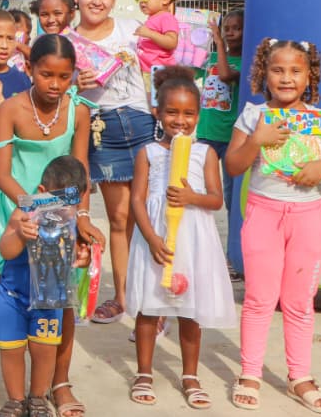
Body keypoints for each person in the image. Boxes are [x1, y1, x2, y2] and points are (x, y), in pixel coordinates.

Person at [0, 34, 99, 417]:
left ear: (73, 75)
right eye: (46, 75)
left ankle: (59, 383)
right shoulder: (10, 108)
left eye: (64, 76)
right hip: (13, 207)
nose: (55, 84)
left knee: (60, 297)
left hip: (61, 216)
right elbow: (2, 172)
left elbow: (80, 171)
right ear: (29, 69)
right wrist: (31, 210)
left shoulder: (79, 111)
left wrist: (81, 216)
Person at [224, 39, 321, 412]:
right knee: (259, 299)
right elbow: (232, 166)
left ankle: (299, 376)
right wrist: (257, 140)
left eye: (296, 70)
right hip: (263, 216)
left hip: (308, 218)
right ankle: (250, 373)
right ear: (263, 74)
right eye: (277, 70)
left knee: (299, 302)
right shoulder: (253, 116)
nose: (286, 78)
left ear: (309, 76)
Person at [124, 67, 236, 408]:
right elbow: (137, 199)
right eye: (172, 112)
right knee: (149, 307)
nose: (180, 120)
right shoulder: (148, 152)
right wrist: (150, 237)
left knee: (190, 311)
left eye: (188, 114)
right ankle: (144, 372)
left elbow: (216, 200)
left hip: (193, 241)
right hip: (157, 240)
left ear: (198, 116)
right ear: (158, 112)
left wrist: (192, 197)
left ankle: (190, 375)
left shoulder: (206, 154)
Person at [71, 0, 153, 326]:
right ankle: (122, 298)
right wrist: (76, 83)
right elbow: (55, 86)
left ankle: (154, 301)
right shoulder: (67, 41)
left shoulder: (132, 29)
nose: (97, 1)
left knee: (150, 213)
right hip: (100, 129)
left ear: (114, 0)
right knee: (119, 218)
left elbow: (164, 57)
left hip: (142, 123)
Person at [0, 155, 91, 417]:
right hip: (14, 296)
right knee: (11, 349)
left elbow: (79, 258)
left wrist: (84, 258)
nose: (63, 209)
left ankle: (38, 397)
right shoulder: (25, 212)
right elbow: (5, 250)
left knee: (45, 350)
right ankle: (15, 400)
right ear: (42, 192)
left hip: (50, 298)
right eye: (57, 200)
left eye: (71, 202)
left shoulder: (72, 222)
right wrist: (19, 234)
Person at [195, 7, 244, 276]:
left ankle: (232, 255)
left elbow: (225, 75)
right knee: (198, 193)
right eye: (227, 28)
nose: (231, 32)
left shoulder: (243, 63)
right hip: (206, 134)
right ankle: (199, 250)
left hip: (229, 139)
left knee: (230, 199)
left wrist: (219, 43)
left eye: (237, 28)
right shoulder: (210, 58)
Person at [133, 0, 181, 81]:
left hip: (161, 73)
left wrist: (150, 33)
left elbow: (172, 42)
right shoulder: (152, 18)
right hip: (148, 72)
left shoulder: (166, 18)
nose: (142, 0)